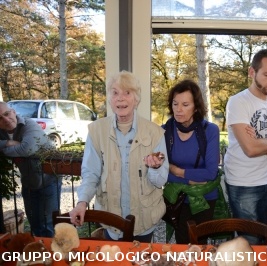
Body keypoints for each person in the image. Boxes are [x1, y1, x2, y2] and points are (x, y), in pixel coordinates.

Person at [69, 71, 169, 242]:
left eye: (127, 93)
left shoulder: (155, 132)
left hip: (145, 221)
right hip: (111, 219)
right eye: (115, 92)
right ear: (109, 98)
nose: (120, 98)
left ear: (136, 99)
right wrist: (82, 201)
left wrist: (155, 168)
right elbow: (90, 173)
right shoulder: (96, 131)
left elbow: (160, 181)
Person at [224, 49, 267, 244]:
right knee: (250, 243)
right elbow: (250, 150)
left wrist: (261, 143)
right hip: (242, 183)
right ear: (252, 72)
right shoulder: (237, 102)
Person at [162, 79, 220, 244]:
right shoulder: (164, 131)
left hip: (204, 199)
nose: (178, 110)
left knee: (199, 246)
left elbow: (210, 173)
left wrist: (177, 171)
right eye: (175, 104)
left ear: (196, 106)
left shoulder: (210, 130)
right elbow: (161, 171)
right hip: (177, 199)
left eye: (185, 104)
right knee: (182, 244)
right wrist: (191, 178)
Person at [0, 101, 61, 237]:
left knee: (49, 223)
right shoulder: (2, 132)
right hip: (29, 181)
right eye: (0, 118)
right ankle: (38, 254)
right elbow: (22, 149)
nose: (5, 119)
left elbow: (26, 149)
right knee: (34, 222)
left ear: (13, 112)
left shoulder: (29, 125)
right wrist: (8, 142)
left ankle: (51, 254)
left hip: (49, 179)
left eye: (7, 114)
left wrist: (3, 150)